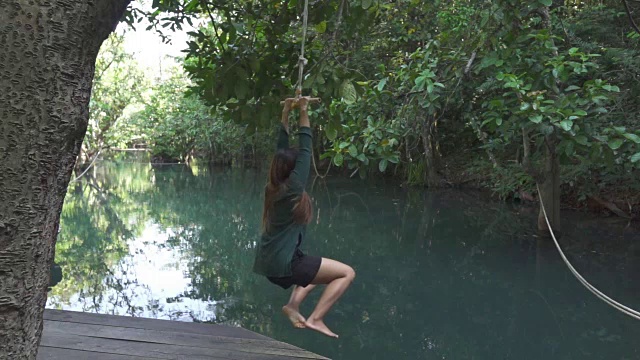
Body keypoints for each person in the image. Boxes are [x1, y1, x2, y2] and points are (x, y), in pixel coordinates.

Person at [252, 96, 355, 338]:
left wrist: (287, 111)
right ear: (293, 169)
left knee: (315, 272)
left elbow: (281, 149)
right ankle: (317, 318)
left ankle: (292, 306)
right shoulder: (294, 187)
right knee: (346, 273)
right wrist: (304, 110)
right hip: (284, 265)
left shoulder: (273, 186)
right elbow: (306, 146)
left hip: (272, 262)